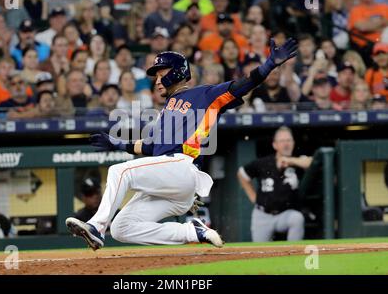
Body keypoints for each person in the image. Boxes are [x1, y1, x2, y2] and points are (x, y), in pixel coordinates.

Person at [65, 37, 299, 250]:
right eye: (155, 76)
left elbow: (243, 84)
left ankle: (96, 226)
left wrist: (269, 66)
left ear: (177, 72)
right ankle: (191, 231)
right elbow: (150, 148)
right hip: (171, 179)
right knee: (121, 228)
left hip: (182, 166)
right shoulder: (166, 110)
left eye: (161, 73)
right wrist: (117, 143)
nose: (157, 80)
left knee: (119, 171)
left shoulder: (204, 94)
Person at [237, 126, 312, 242]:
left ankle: (294, 255)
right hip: (263, 215)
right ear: (275, 145)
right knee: (260, 253)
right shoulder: (264, 163)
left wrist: (290, 161)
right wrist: (253, 197)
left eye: (289, 140)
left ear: (293, 142)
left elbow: (311, 162)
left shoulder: (297, 162)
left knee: (297, 218)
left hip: (285, 214)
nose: (286, 144)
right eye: (282, 141)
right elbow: (241, 174)